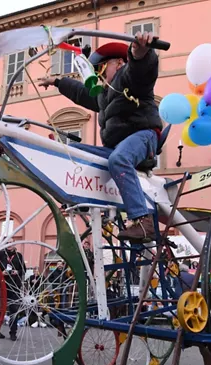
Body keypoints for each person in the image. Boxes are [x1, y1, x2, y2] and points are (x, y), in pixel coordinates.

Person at [38, 32, 163, 242]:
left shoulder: (128, 77)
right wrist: (57, 81)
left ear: (120, 63)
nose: (100, 75)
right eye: (97, 72)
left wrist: (140, 52)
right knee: (74, 152)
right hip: (116, 147)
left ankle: (143, 221)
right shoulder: (104, 95)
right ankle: (83, 197)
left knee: (119, 159)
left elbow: (141, 69)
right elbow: (81, 92)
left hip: (143, 136)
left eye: (102, 68)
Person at [0, 243, 26, 340]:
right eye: (7, 243)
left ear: (14, 245)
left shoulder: (18, 255)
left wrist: (18, 272)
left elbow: (23, 269)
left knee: (14, 309)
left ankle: (13, 332)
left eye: (11, 243)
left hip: (15, 285)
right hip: (2, 285)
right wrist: (1, 272)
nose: (9, 245)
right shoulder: (0, 255)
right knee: (0, 309)